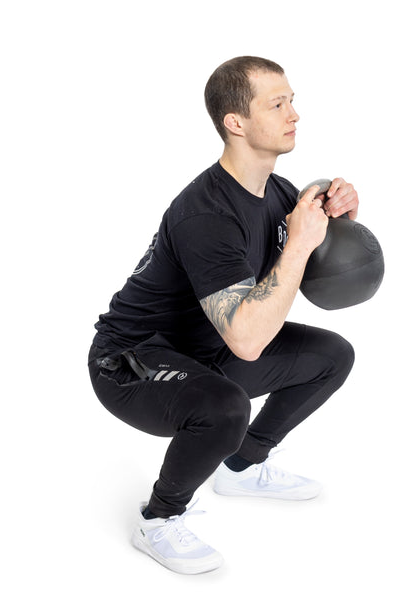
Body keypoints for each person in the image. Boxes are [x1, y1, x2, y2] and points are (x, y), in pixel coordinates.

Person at [88, 56, 359, 574]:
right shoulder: (206, 213)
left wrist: (334, 215)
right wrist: (299, 247)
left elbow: (311, 268)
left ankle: (243, 463)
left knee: (331, 355)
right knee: (225, 406)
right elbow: (249, 342)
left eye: (293, 100)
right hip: (130, 363)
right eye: (276, 104)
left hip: (203, 347)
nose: (294, 113)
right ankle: (159, 518)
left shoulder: (277, 192)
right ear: (235, 122)